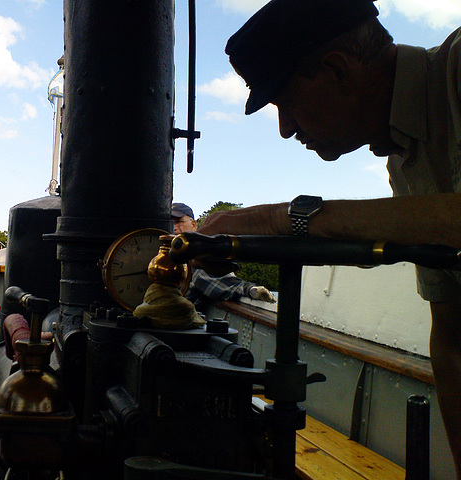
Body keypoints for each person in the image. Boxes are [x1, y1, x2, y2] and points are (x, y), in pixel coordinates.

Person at [197, 0, 461, 475]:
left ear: (338, 69)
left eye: (284, 102)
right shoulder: (404, 159)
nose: (285, 129)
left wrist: (280, 219)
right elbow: (453, 332)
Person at [171, 203, 275, 310]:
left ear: (193, 224)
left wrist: (250, 290)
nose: (173, 228)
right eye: (170, 223)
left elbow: (223, 284)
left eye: (178, 222)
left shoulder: (198, 259)